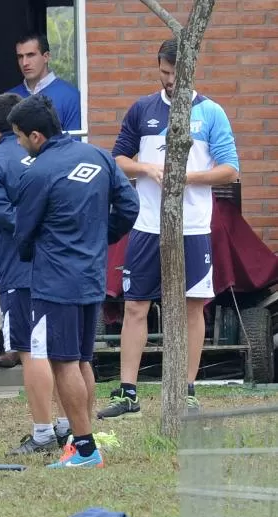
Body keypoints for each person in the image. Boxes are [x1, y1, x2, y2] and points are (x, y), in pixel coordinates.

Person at [99, 38, 240, 419]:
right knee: (134, 306)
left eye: (176, 74)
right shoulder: (142, 108)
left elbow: (231, 169)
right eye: (163, 73)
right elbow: (117, 161)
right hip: (146, 225)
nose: (169, 81)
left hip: (193, 227)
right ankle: (128, 392)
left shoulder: (211, 113)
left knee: (193, 308)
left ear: (192, 69)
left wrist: (185, 177)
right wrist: (146, 168)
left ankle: (188, 390)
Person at [11, 94, 139, 468]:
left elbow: (23, 232)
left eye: (19, 136)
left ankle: (84, 449)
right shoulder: (98, 155)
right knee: (82, 359)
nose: (19, 143)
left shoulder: (37, 172)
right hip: (91, 275)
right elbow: (128, 207)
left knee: (63, 362)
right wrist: (100, 238)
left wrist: (30, 254)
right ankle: (86, 440)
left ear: (36, 135)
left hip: (55, 280)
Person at [0, 92, 72, 454]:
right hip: (62, 265)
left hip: (20, 266)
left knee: (32, 350)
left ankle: (44, 431)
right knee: (65, 351)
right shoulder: (52, 154)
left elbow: (5, 218)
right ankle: (69, 426)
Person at [7, 33, 82, 131]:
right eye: (20, 57)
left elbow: (74, 143)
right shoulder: (9, 98)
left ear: (46, 57)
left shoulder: (70, 96)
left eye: (30, 55)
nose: (24, 63)